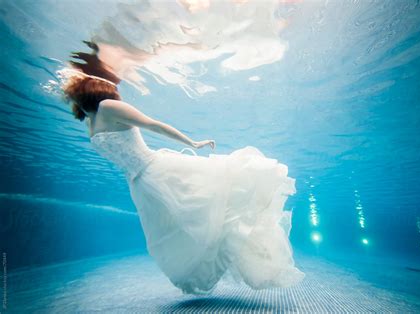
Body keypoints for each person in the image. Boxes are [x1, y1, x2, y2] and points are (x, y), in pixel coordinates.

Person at [60, 43, 304, 295]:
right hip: (140, 184)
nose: (69, 92)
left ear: (89, 86)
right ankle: (228, 255)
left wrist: (192, 143)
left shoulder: (108, 108)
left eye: (74, 87)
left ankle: (254, 252)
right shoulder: (91, 119)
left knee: (213, 209)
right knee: (185, 230)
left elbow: (153, 125)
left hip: (157, 170)